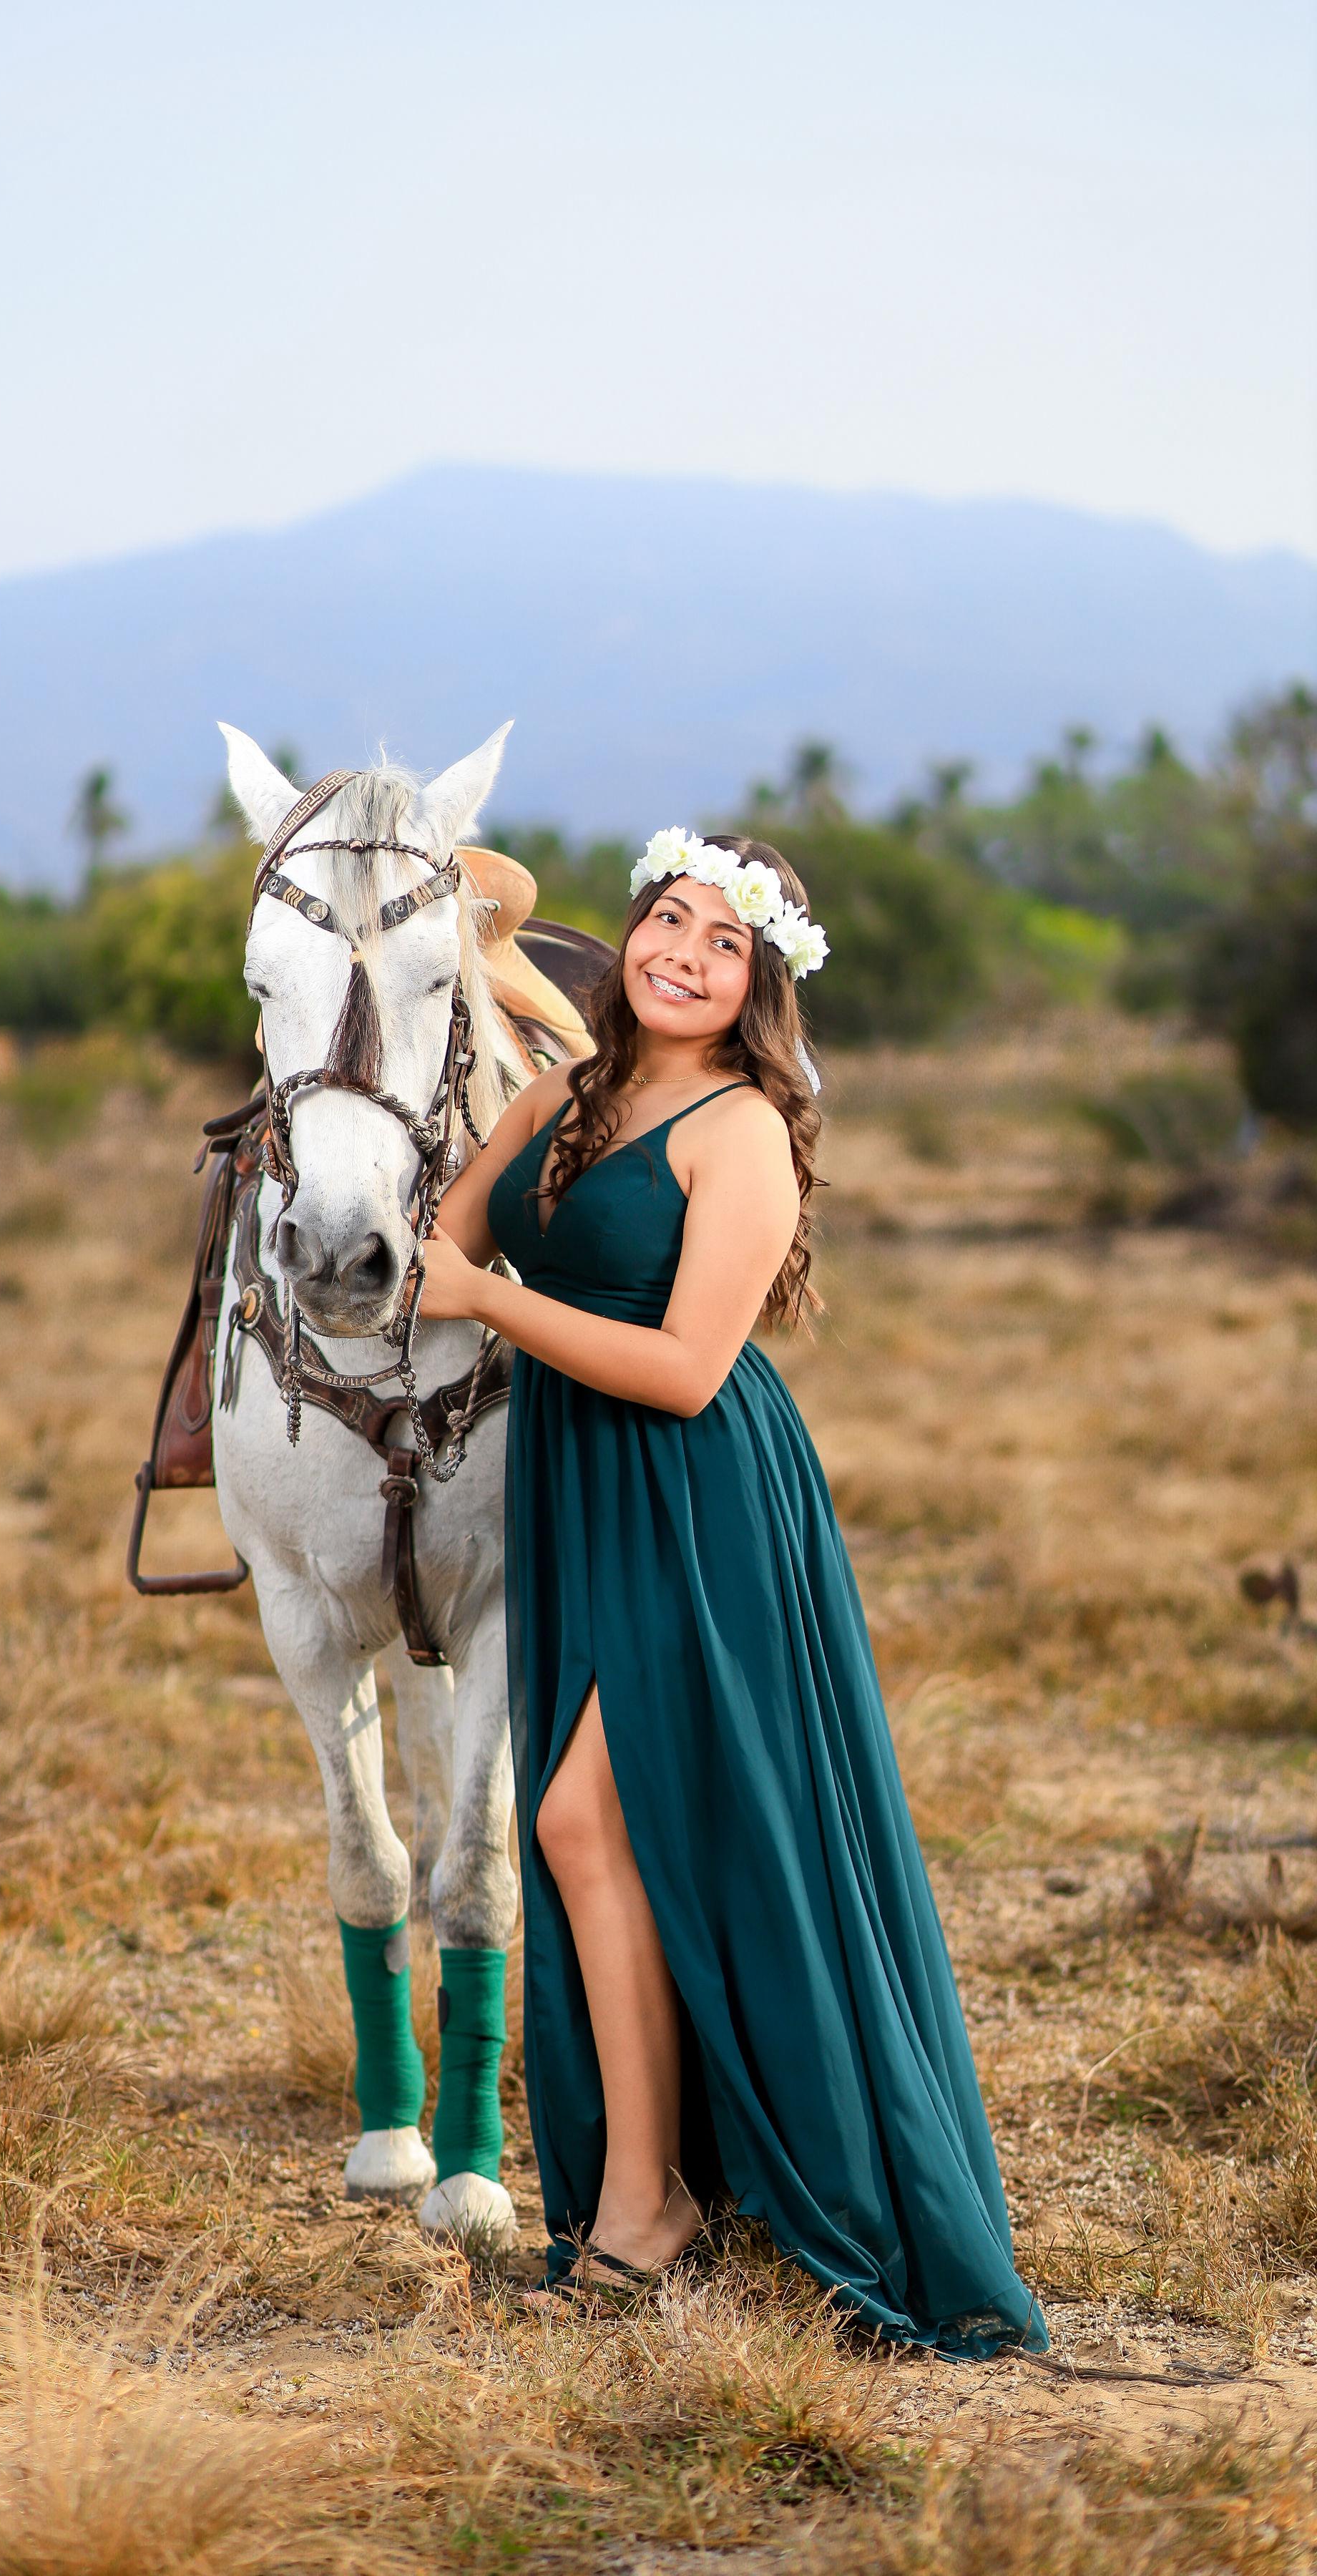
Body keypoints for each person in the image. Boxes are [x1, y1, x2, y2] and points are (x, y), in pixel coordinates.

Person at [416, 829, 1047, 2356]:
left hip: (696, 1498)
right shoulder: (567, 1094)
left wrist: (493, 1302)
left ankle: (654, 2207)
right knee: (600, 1832)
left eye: (725, 945)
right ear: (631, 930)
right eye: (670, 921)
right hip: (581, 1483)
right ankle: (647, 2201)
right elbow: (444, 1234)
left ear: (761, 985)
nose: (684, 957)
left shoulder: (742, 1128)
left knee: (584, 1822)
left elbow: (691, 1371)